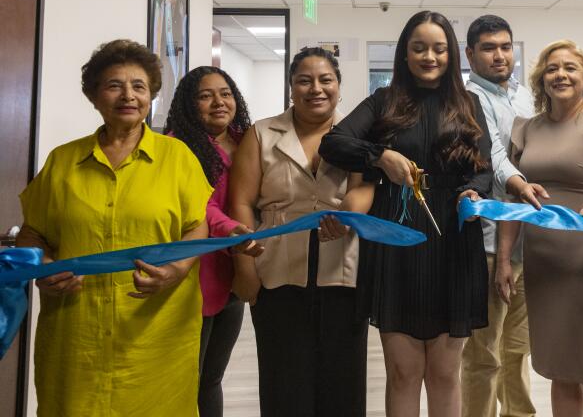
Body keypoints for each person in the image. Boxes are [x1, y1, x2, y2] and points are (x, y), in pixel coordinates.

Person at [16, 39, 214, 416]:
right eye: (114, 85)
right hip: (76, 334)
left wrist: (177, 270)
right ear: (94, 97)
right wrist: (44, 268)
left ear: (151, 95)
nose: (128, 95)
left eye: (138, 86)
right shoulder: (63, 161)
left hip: (155, 334)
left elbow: (197, 227)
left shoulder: (177, 158)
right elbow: (32, 232)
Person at [319, 11, 492, 417]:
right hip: (396, 238)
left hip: (454, 236)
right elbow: (334, 143)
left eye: (438, 48)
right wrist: (381, 157)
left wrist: (473, 192)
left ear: (451, 54)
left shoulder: (470, 104)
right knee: (403, 370)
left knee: (446, 373)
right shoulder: (384, 100)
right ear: (404, 54)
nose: (428, 56)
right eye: (418, 48)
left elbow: (483, 170)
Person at [228, 47, 371, 417]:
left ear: (339, 86)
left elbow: (362, 188)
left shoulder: (356, 135)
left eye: (326, 80)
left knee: (343, 386)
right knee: (283, 384)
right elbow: (241, 204)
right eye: (304, 80)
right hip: (276, 274)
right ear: (291, 86)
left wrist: (349, 214)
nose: (316, 89)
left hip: (343, 273)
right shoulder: (262, 133)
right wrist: (244, 269)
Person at [496, 40, 583, 417]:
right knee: (559, 371)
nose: (561, 74)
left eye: (570, 68)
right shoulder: (526, 129)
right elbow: (513, 202)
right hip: (544, 268)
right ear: (541, 79)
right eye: (553, 68)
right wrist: (504, 259)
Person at [164, 66, 262, 417]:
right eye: (205, 96)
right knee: (189, 376)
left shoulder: (246, 139)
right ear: (190, 104)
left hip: (235, 271)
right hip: (195, 274)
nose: (218, 102)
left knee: (212, 377)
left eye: (225, 93)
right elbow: (198, 207)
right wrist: (233, 229)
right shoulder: (176, 147)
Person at [461, 15, 546, 417]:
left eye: (506, 46)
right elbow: (493, 154)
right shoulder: (466, 98)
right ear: (470, 54)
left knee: (517, 350)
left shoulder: (524, 96)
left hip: (530, 241)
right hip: (490, 244)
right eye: (489, 47)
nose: (500, 55)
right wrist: (520, 184)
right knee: (484, 352)